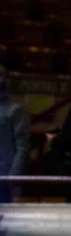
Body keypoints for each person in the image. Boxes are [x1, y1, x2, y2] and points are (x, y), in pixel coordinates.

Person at [0, 63, 29, 193]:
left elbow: (22, 147)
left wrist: (13, 177)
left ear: (6, 80)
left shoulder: (16, 110)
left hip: (4, 175)